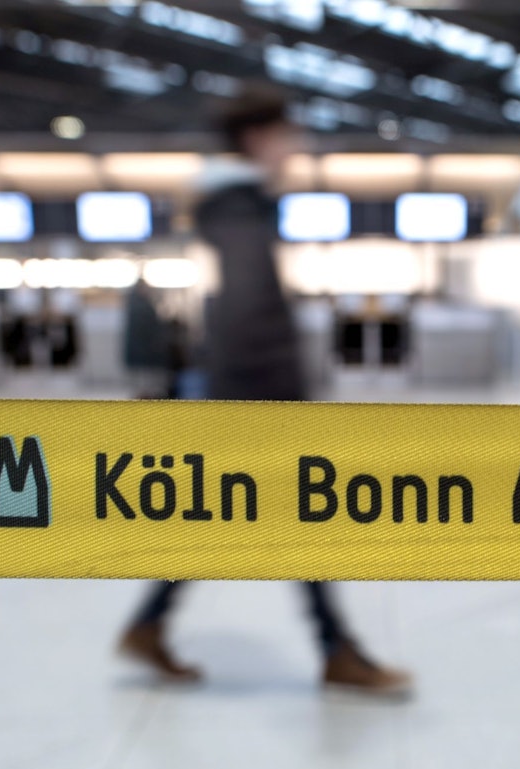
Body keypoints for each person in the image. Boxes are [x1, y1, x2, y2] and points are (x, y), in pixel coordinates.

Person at [117, 87, 412, 695]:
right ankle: (336, 650)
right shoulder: (237, 206)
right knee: (296, 514)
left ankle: (152, 624)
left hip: (244, 388)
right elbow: (249, 311)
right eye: (288, 137)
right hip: (257, 393)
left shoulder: (234, 203)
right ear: (257, 140)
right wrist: (281, 400)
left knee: (234, 517)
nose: (295, 150)